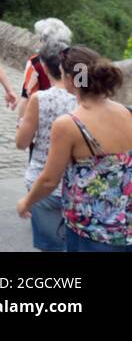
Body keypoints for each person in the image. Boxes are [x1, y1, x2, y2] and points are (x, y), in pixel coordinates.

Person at [17, 46, 132, 252]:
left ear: (71, 79)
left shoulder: (69, 124)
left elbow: (49, 180)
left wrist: (27, 201)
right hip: (125, 228)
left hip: (91, 231)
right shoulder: (126, 112)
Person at [13, 40, 76, 251]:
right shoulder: (85, 98)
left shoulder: (40, 99)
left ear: (45, 66)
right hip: (77, 186)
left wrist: (21, 123)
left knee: (51, 247)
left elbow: (22, 143)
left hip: (43, 184)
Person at [21, 18, 73, 99]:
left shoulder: (35, 62)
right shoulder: (77, 60)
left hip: (42, 107)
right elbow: (84, 88)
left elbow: (27, 93)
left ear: (45, 41)